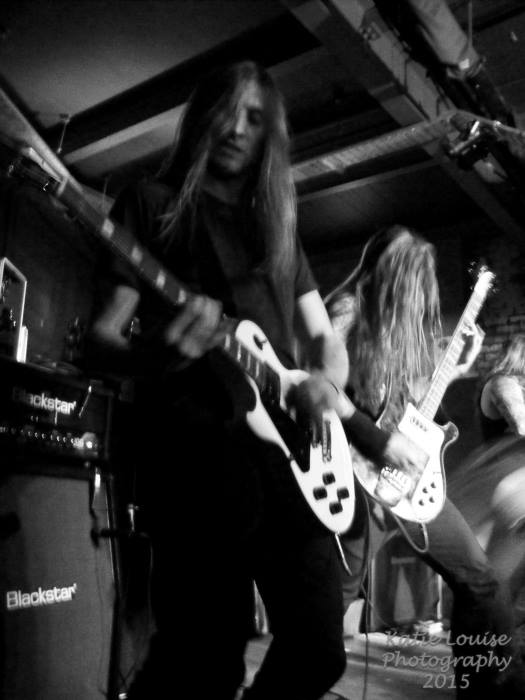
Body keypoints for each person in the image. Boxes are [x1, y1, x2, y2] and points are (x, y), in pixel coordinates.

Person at [86, 62, 424, 700]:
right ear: (201, 116)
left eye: (254, 117)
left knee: (319, 651)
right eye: (226, 112)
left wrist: (327, 382)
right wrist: (160, 352)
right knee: (201, 661)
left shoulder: (274, 228)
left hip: (288, 457)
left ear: (271, 133)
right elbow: (99, 341)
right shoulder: (151, 204)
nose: (237, 129)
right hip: (197, 458)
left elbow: (322, 338)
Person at [326, 224, 525, 698]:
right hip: (361, 474)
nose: (419, 297)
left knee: (481, 583)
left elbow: (410, 404)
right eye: (414, 281)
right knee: (331, 600)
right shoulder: (347, 311)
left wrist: (456, 368)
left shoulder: (400, 329)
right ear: (387, 272)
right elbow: (323, 387)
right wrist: (376, 441)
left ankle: (485, 689)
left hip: (415, 481)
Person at [450, 335, 525, 629]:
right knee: (493, 577)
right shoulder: (502, 383)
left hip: (511, 482)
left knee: (503, 576)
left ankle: (499, 638)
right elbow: (521, 424)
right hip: (499, 481)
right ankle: (486, 639)